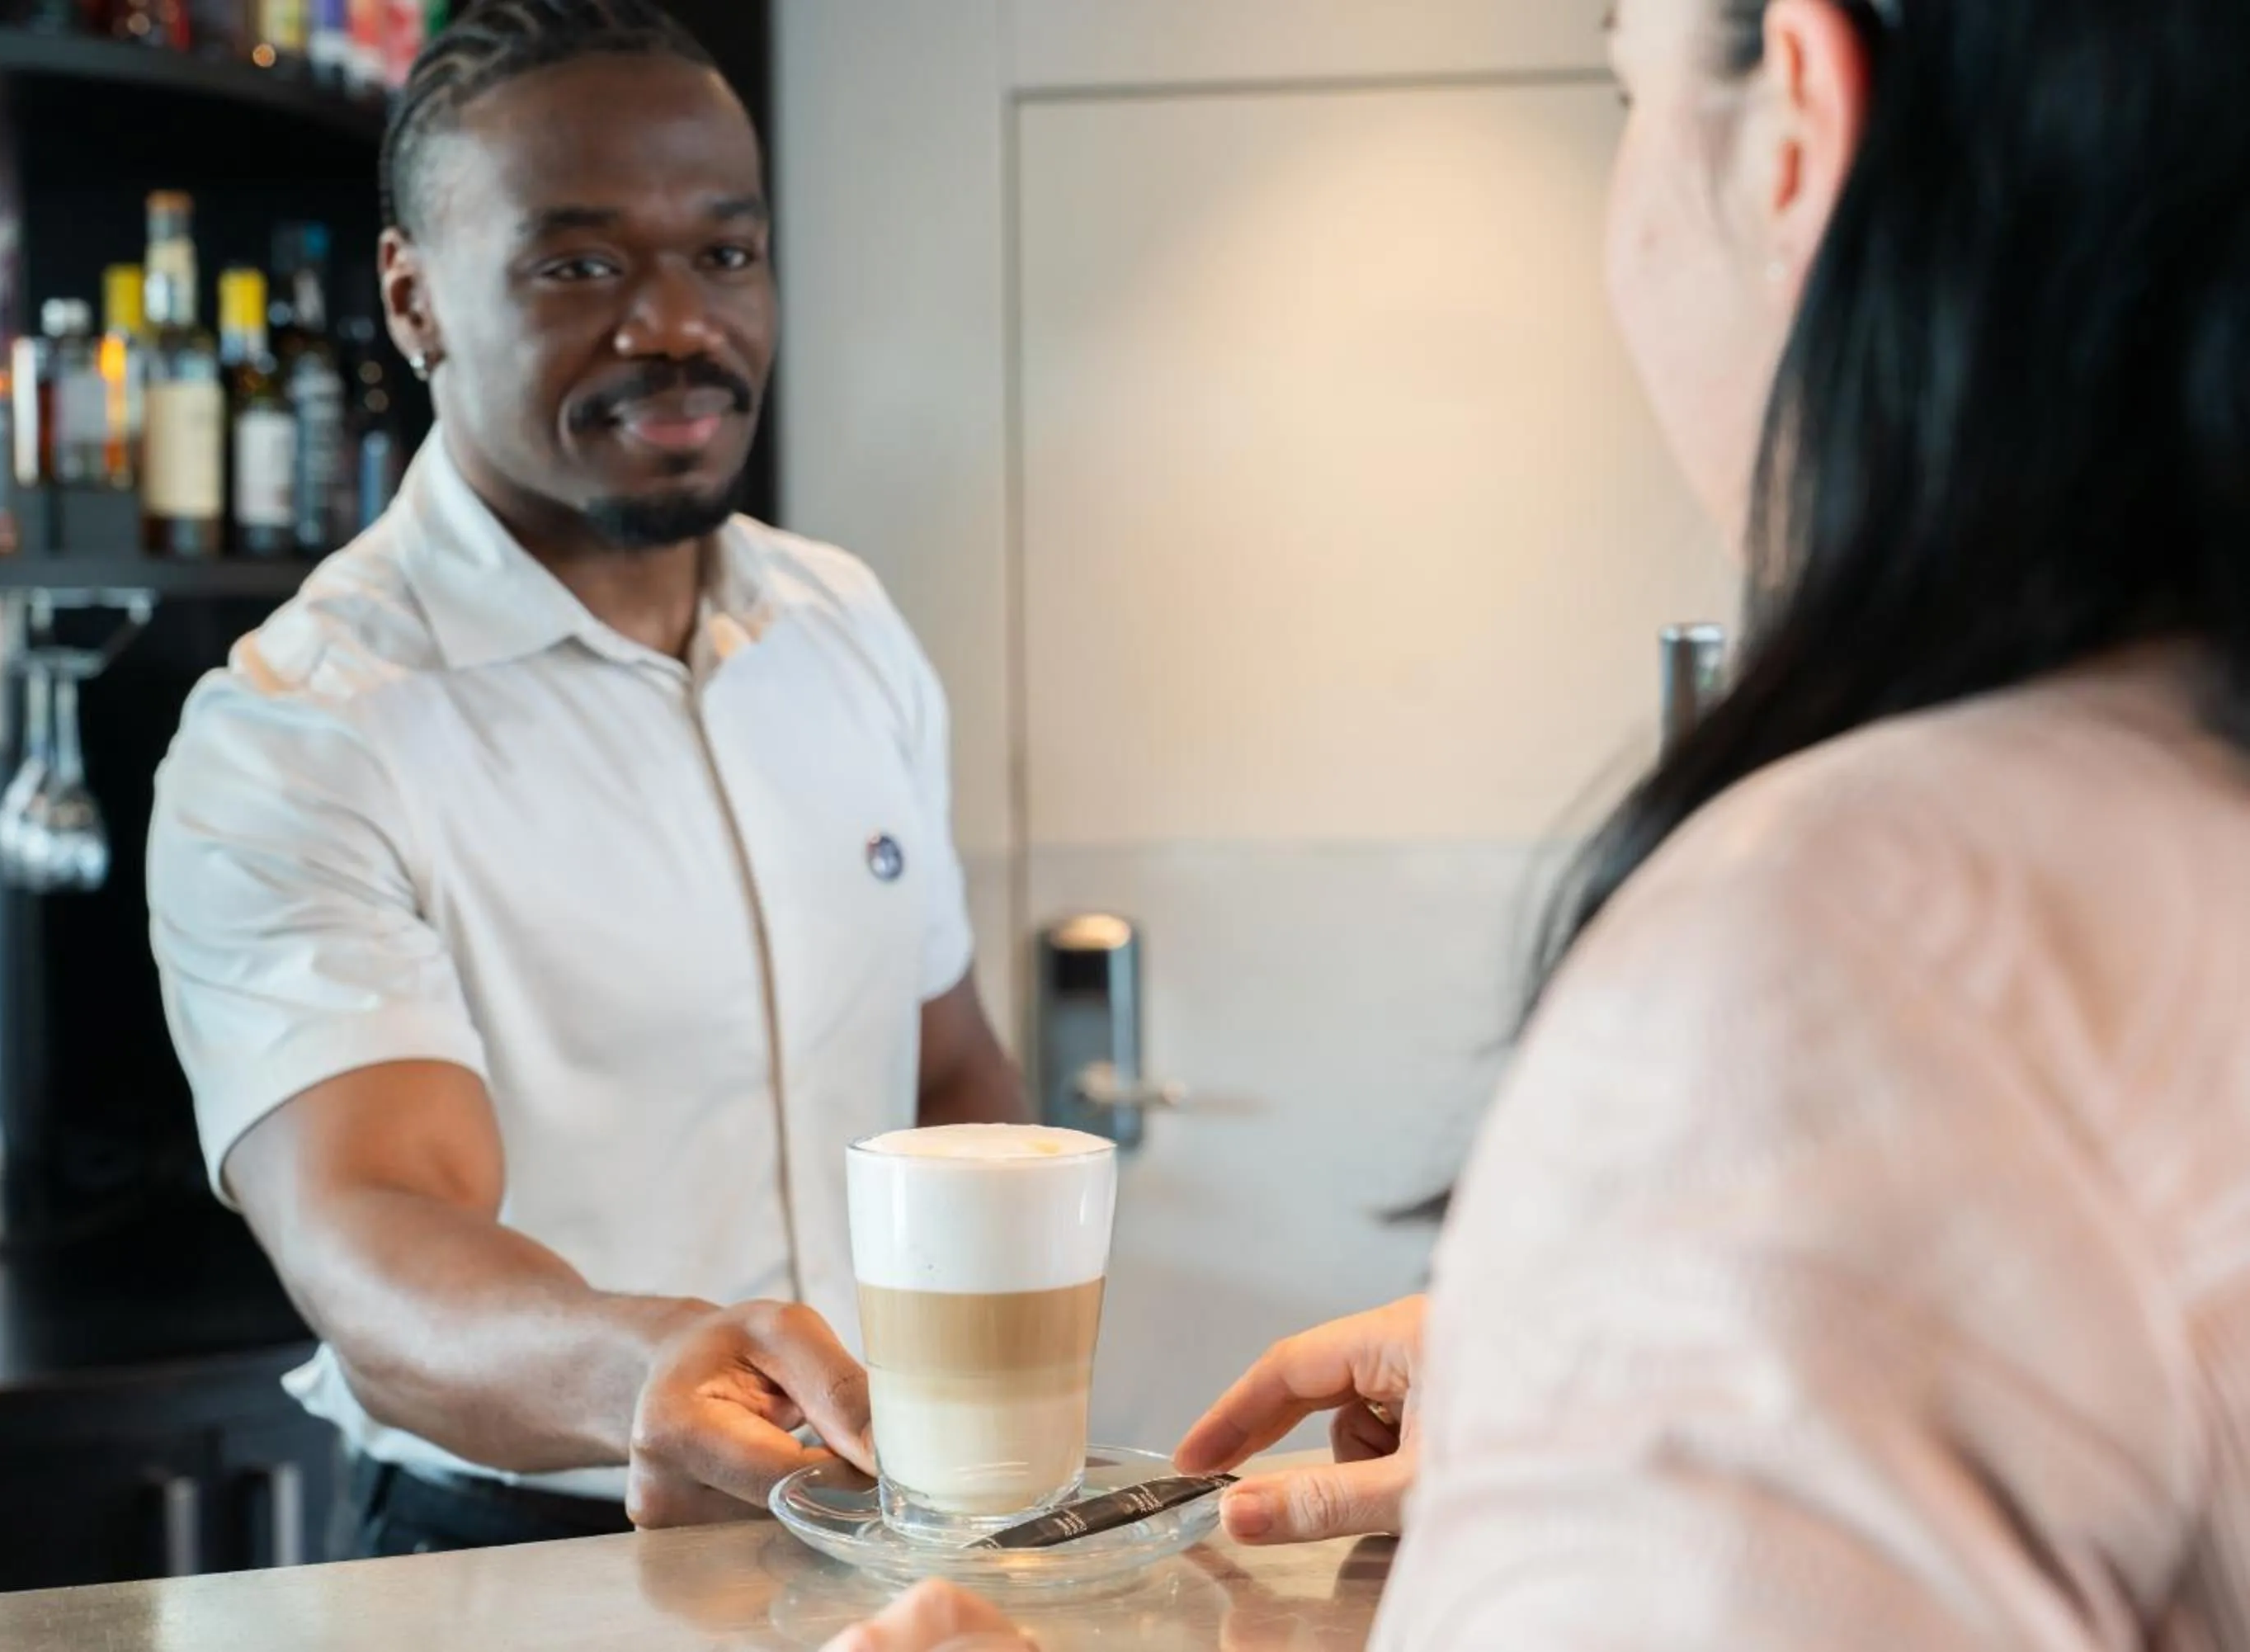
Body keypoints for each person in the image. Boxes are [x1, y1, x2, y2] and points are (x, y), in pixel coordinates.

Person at [831, 0, 2250, 1644]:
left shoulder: (1837, 957)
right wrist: (1589, 1374)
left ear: (1793, 115)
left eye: (1624, 85)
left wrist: (1663, 1321)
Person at [146, 0, 1025, 1560]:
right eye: (578, 266)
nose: (674, 322)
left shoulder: (845, 629)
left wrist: (995, 1418)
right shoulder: (301, 730)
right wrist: (655, 1369)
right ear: (413, 300)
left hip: (887, 1531)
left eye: (726, 253)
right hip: (517, 1547)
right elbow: (376, 1236)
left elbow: (948, 1071)